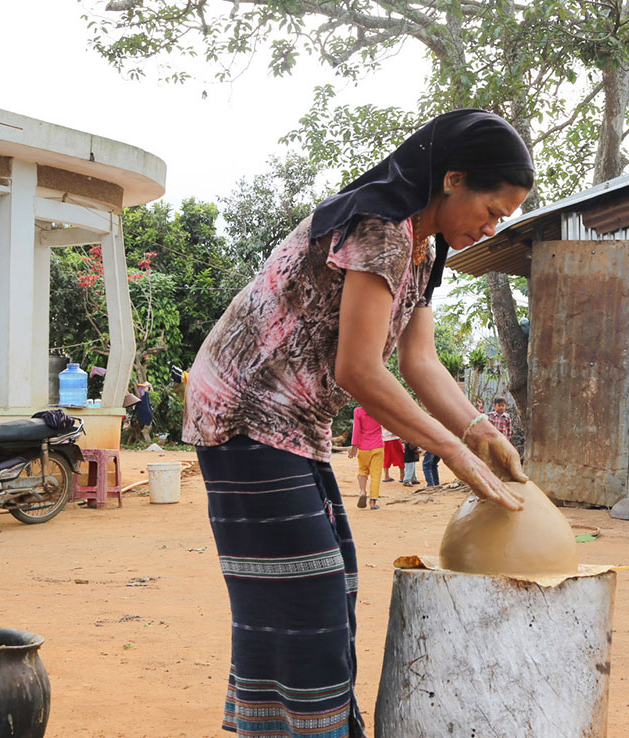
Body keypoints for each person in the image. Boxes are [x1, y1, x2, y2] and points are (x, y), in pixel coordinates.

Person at [182, 109, 534, 737]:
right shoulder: (380, 229)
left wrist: (480, 428)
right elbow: (358, 370)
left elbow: (418, 360)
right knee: (307, 595)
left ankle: (294, 726)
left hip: (296, 422)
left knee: (327, 584)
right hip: (244, 409)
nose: (491, 226)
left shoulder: (425, 252)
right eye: (491, 209)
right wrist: (453, 450)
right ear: (453, 178)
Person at [349, 405, 384, 509]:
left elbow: (356, 429)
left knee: (362, 470)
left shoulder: (358, 411)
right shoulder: (380, 410)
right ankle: (373, 502)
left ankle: (363, 491)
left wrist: (354, 446)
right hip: (378, 446)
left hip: (364, 447)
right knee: (376, 474)